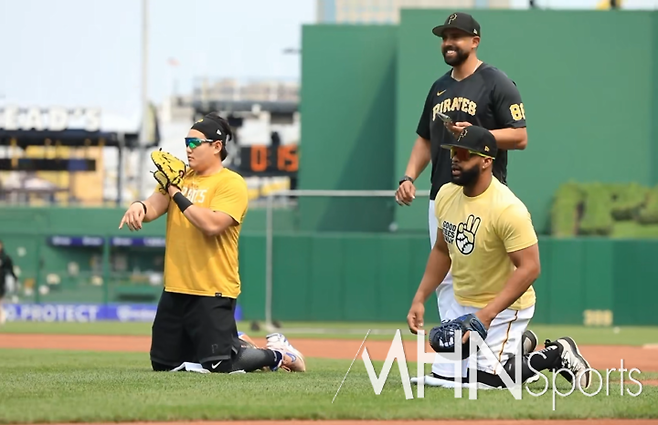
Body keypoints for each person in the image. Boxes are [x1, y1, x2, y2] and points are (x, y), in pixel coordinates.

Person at [394, 11, 536, 380]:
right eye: (444, 36)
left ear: (475, 41)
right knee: (446, 275)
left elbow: (520, 137)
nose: (449, 42)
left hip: (483, 194)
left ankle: (478, 348)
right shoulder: (439, 86)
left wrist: (477, 134)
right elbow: (426, 137)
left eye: (457, 36)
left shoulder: (496, 82)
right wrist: (410, 175)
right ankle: (460, 353)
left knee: (479, 274)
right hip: (442, 194)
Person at [406, 126, 592, 390]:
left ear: (486, 160)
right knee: (447, 380)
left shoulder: (507, 208)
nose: (455, 159)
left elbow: (530, 268)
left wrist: (488, 315)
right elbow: (441, 250)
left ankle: (557, 353)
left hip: (504, 307)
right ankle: (519, 343)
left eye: (464, 154)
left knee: (487, 382)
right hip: (465, 303)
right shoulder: (446, 194)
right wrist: (419, 298)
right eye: (453, 153)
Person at [118, 112, 305, 373]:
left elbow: (211, 225)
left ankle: (278, 354)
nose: (188, 148)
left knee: (220, 365)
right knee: (163, 365)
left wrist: (175, 192)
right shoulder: (180, 176)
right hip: (176, 286)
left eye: (195, 143)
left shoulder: (231, 183)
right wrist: (139, 206)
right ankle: (237, 343)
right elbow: (153, 206)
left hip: (213, 288)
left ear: (217, 146)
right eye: (186, 141)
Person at [0, 240, 18, 325]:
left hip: (1, 281)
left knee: (1, 301)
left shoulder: (5, 258)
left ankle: (2, 318)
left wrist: (15, 279)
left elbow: (10, 270)